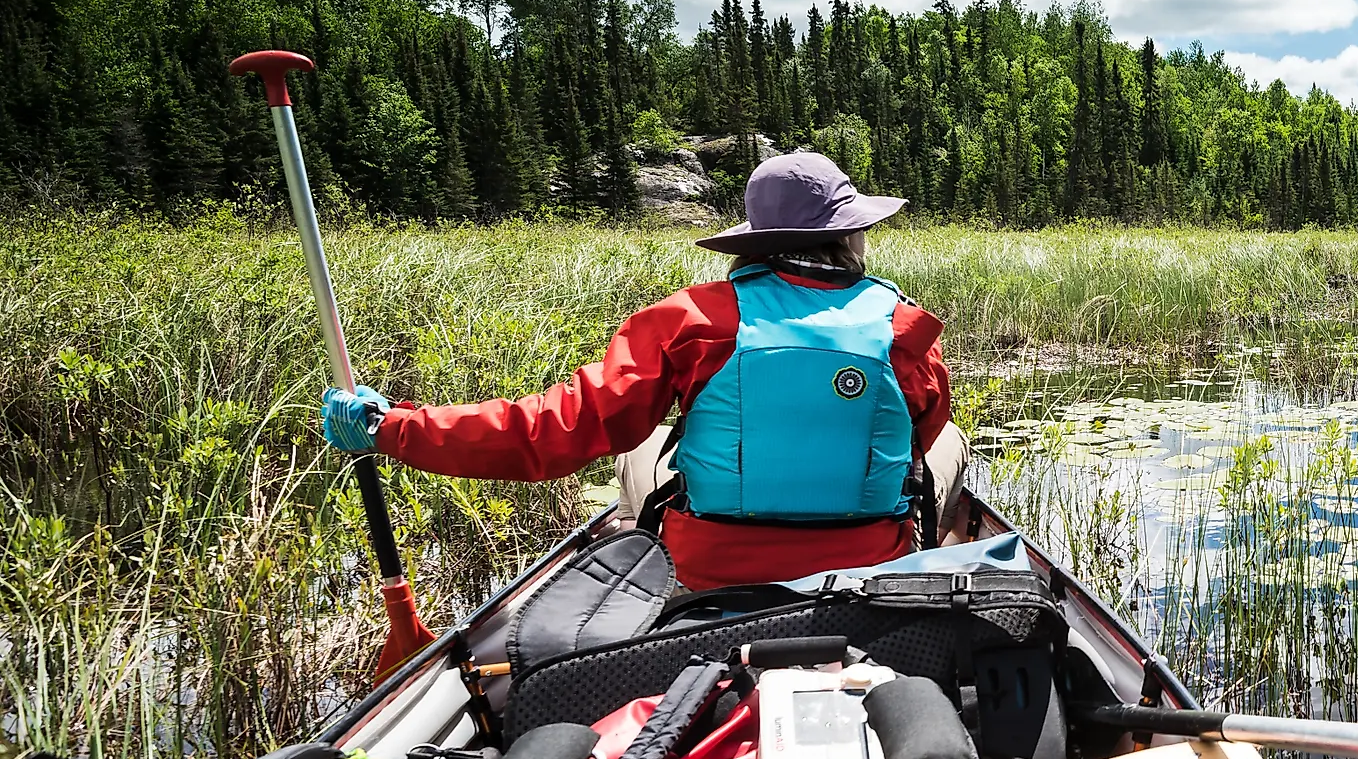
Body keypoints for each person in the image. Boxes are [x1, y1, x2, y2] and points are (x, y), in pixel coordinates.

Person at [321, 151, 952, 592]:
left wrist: (394, 427)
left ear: (755, 241)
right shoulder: (904, 328)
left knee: (651, 447)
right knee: (943, 450)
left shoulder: (692, 320)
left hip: (708, 577)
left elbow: (550, 429)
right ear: (850, 236)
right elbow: (922, 437)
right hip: (864, 574)